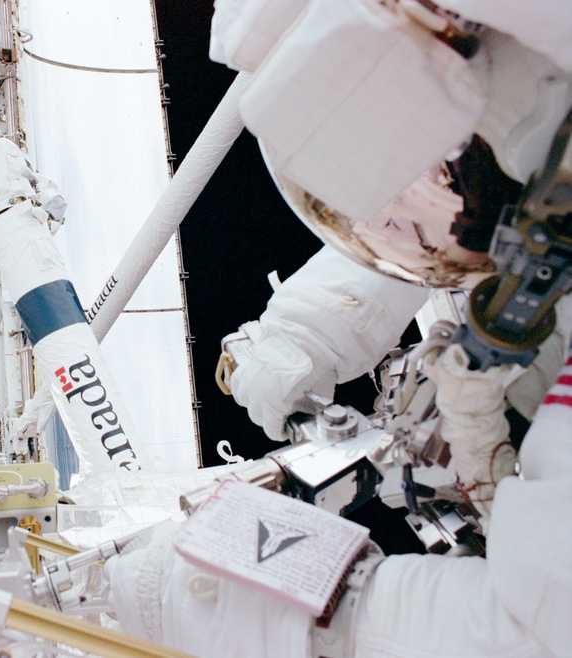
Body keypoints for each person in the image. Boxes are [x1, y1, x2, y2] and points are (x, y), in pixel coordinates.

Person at [103, 2, 572, 655]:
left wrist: (308, 612)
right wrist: (305, 331)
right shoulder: (537, 135)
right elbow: (464, 217)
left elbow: (540, 628)